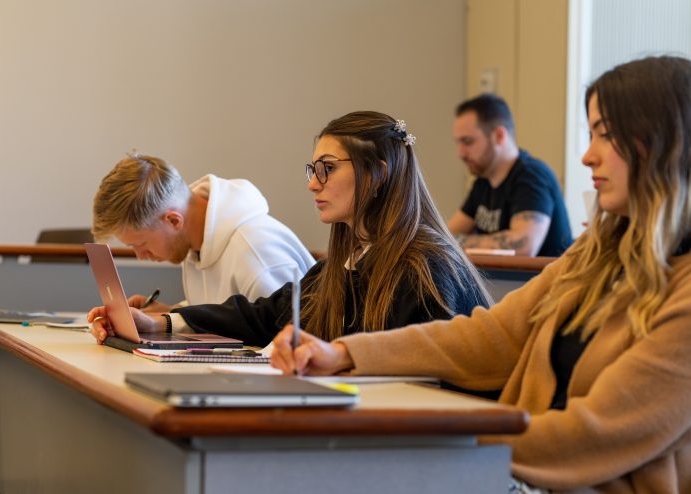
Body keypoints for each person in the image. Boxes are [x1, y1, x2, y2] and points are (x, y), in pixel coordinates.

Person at [272, 56, 691, 492]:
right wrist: (343, 354)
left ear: (665, 144)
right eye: (591, 135)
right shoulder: (597, 252)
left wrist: (441, 431)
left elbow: (597, 433)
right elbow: (494, 335)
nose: (587, 156)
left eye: (606, 135)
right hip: (512, 470)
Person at [89, 111, 492, 348]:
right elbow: (267, 314)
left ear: (377, 174)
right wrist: (161, 323)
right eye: (312, 170)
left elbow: (421, 381)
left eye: (327, 169)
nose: (313, 184)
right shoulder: (350, 261)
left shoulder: (426, 268)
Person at [91, 153, 315, 309]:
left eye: (141, 245)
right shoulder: (194, 241)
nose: (141, 257)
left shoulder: (256, 252)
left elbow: (287, 336)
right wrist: (169, 316)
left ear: (173, 220)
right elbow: (229, 313)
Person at [447, 93, 572, 257]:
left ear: (499, 136)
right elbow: (445, 234)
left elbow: (523, 247)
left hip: (545, 282)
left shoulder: (532, 176)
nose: (460, 153)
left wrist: (459, 241)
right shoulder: (483, 183)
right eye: (458, 143)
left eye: (468, 142)